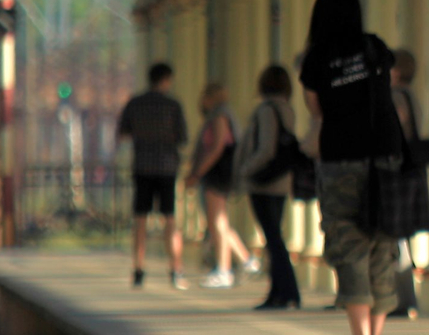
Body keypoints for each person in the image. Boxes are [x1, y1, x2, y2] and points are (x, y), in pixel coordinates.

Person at [298, 0, 405, 335]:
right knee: (382, 245)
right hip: (385, 159)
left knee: (349, 245)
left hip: (341, 159)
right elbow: (385, 92)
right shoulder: (375, 47)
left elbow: (316, 111)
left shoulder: (317, 58)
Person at [116, 62, 189, 289]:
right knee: (170, 219)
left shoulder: (135, 103)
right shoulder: (173, 105)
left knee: (140, 219)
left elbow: (123, 133)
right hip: (167, 167)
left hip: (142, 167)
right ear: (166, 79)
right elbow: (183, 137)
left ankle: (138, 269)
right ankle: (176, 269)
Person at [239, 64, 303, 310]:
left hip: (263, 182)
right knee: (275, 236)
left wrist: (246, 169)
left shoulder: (266, 110)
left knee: (273, 238)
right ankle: (280, 291)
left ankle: (286, 292)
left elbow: (265, 148)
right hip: (282, 180)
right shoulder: (288, 109)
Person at [185, 82, 253, 288]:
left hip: (217, 174)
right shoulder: (222, 114)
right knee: (219, 221)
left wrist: (197, 173)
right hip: (219, 173)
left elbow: (216, 148)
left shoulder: (219, 116)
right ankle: (244, 261)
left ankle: (224, 269)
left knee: (217, 222)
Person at [389, 49, 425, 318]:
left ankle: (405, 298)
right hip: (413, 169)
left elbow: (396, 129)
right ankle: (405, 298)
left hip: (397, 171)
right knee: (403, 235)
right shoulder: (413, 96)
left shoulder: (396, 96)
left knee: (397, 234)